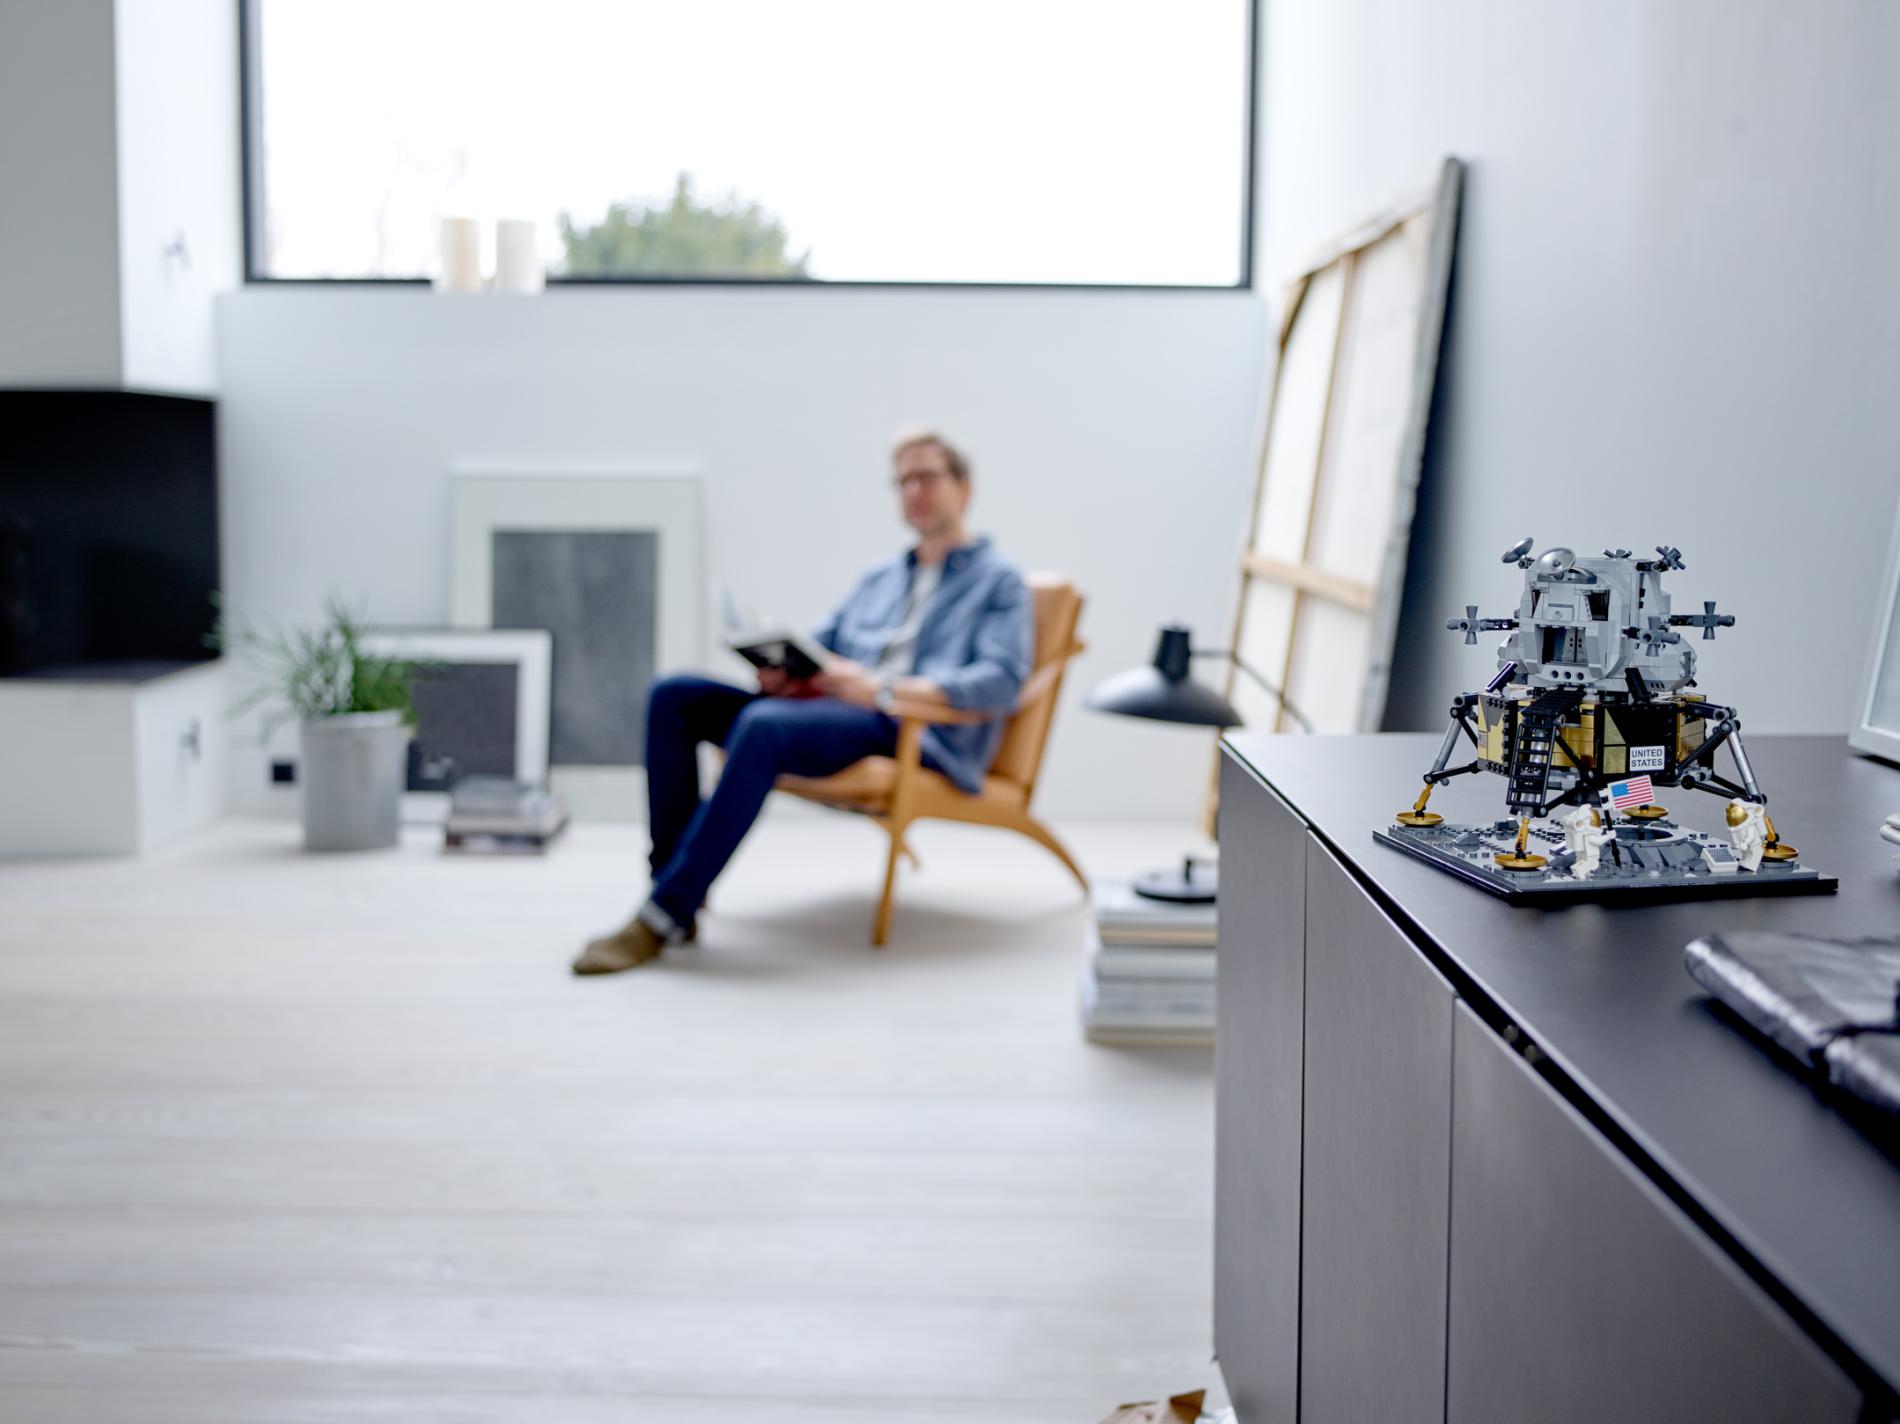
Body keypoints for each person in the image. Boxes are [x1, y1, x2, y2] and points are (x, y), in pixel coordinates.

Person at [573, 430, 1034, 975]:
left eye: (927, 477)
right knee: (673, 696)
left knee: (763, 726)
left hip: (905, 726)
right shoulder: (882, 577)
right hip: (832, 710)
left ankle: (660, 915)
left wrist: (882, 689)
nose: (914, 491)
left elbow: (1001, 681)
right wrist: (786, 670)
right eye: (903, 481)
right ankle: (672, 892)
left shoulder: (999, 582)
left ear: (964, 487)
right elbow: (824, 642)